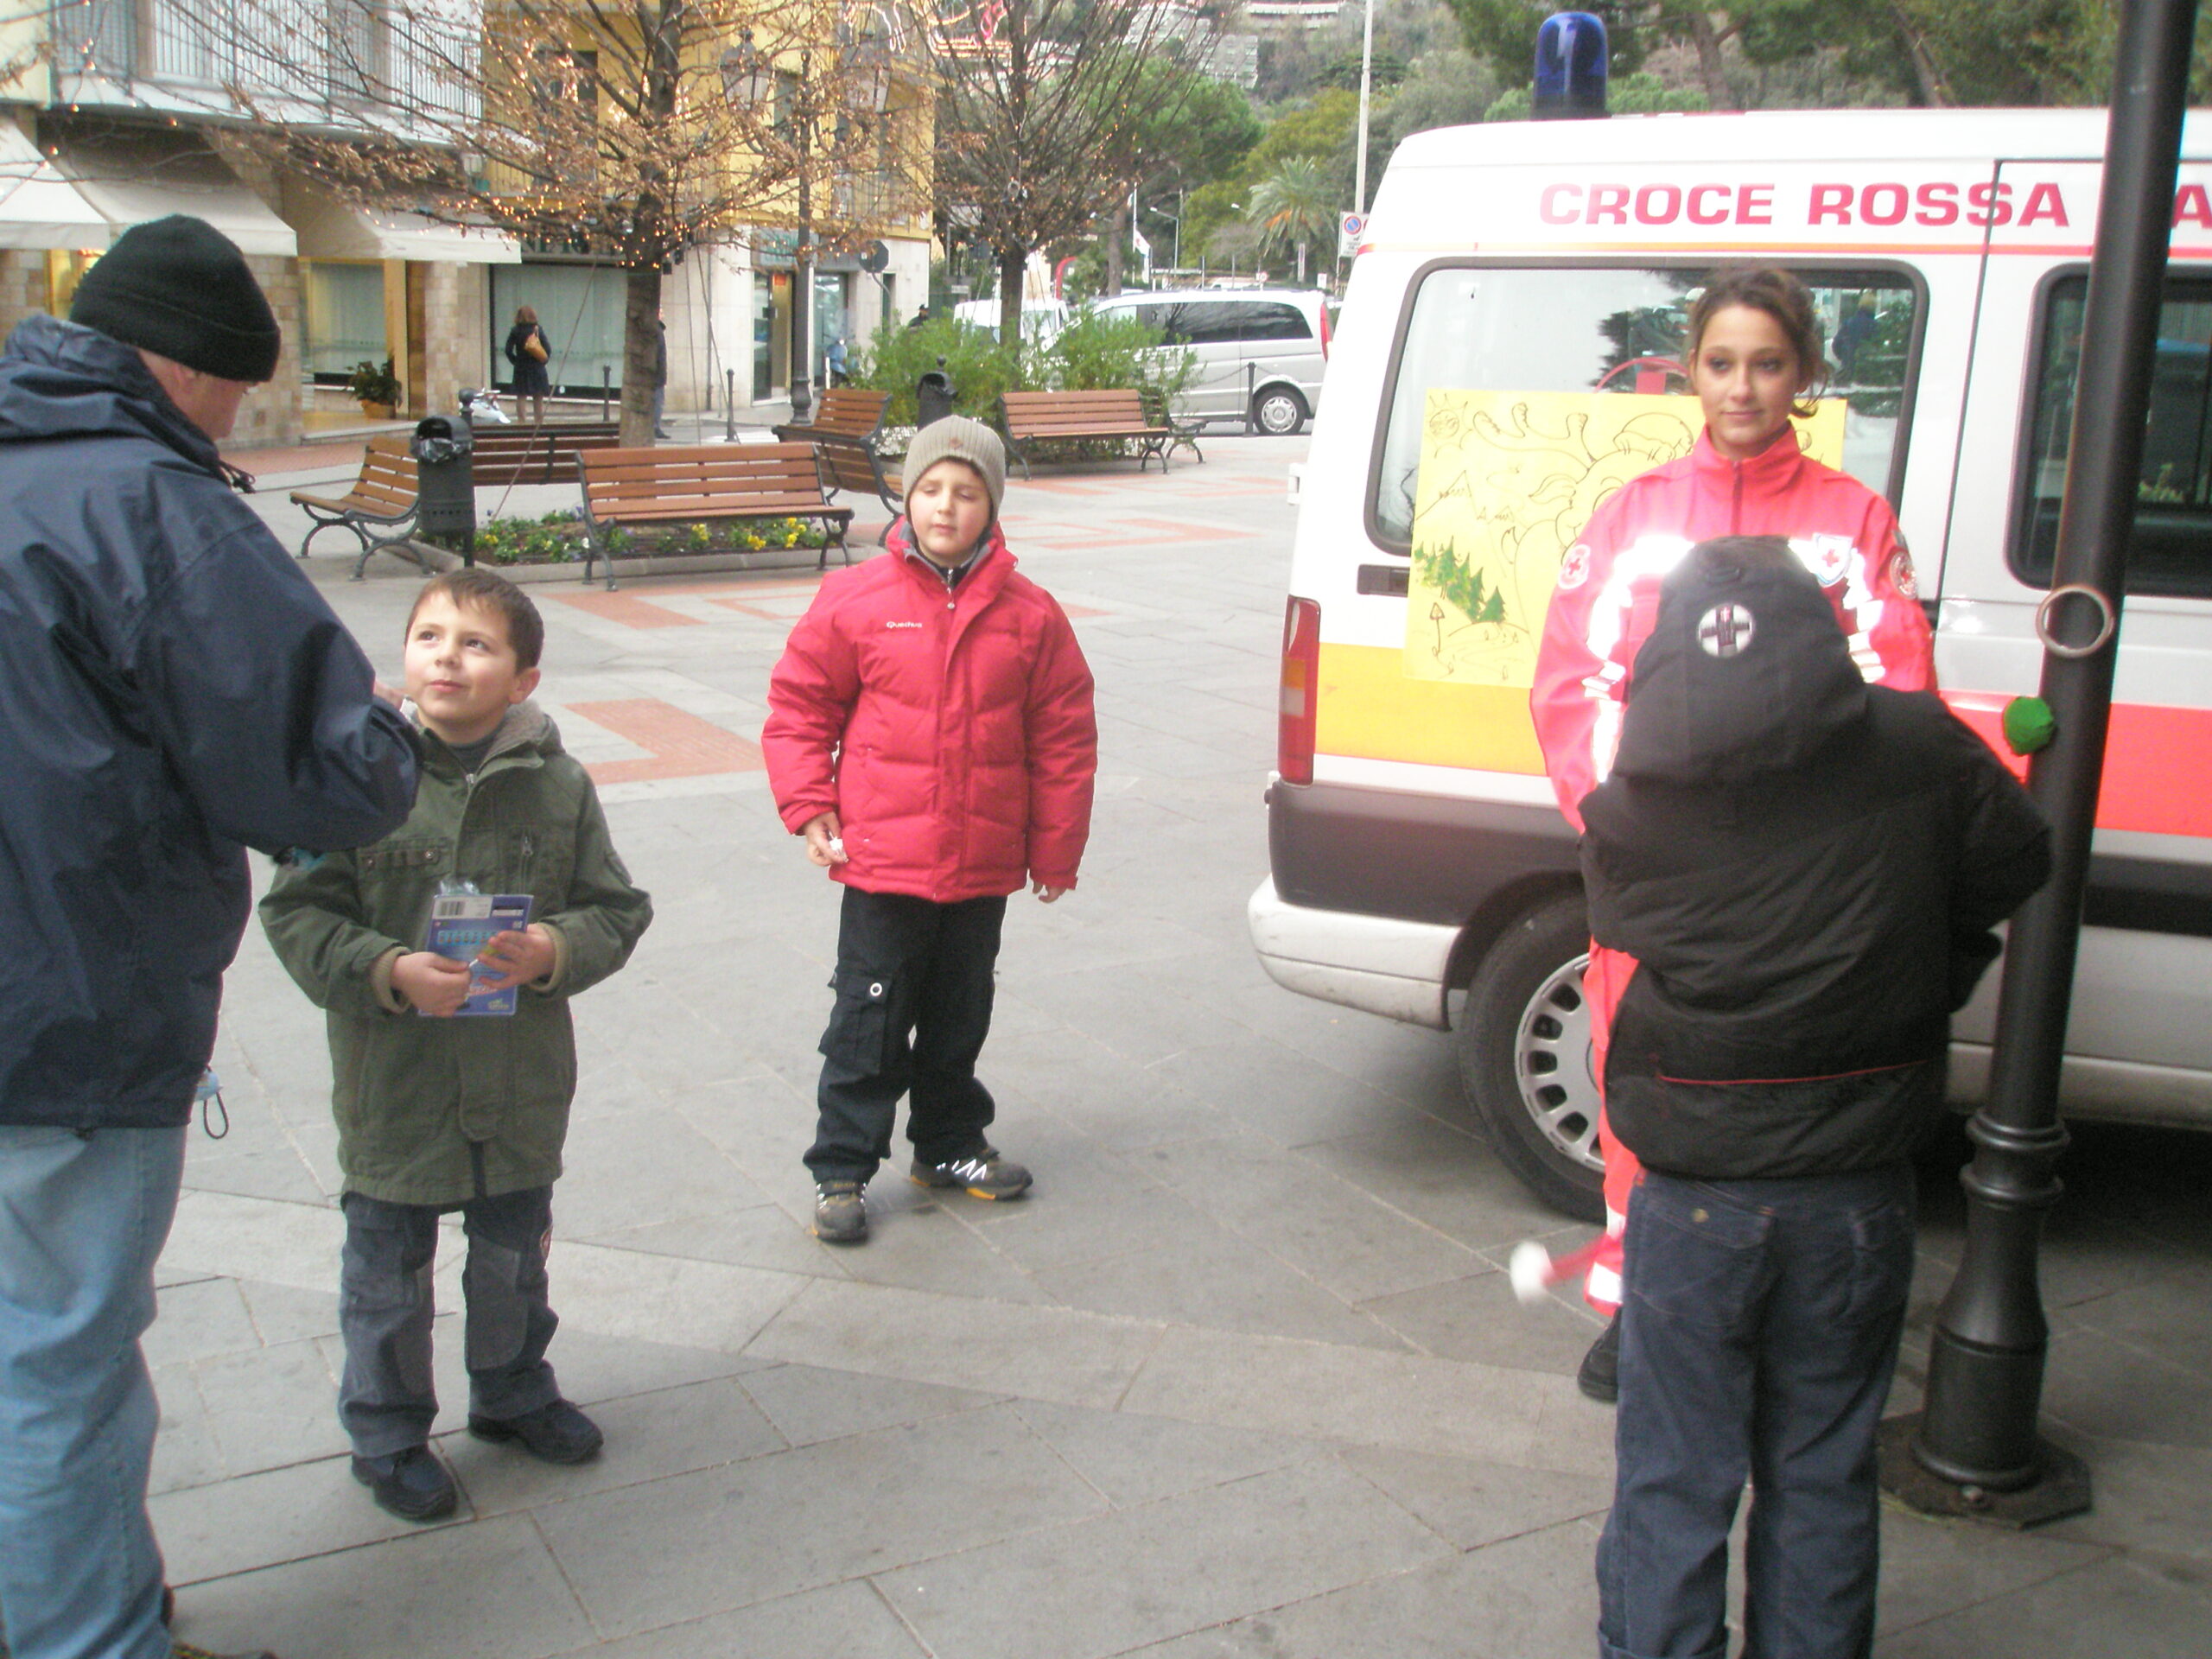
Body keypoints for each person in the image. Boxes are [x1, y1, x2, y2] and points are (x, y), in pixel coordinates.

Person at [0, 215, 420, 1659]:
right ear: (186, 369)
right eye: (240, 389)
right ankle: (88, 1640)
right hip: (63, 1011)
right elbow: (319, 765)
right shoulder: (149, 506)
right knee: (59, 1363)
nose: (240, 416)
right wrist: (389, 737)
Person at [1580, 535, 2050, 1659]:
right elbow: (2014, 861)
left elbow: (1620, 923)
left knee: (1673, 1480)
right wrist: (1927, 970)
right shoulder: (1915, 746)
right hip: (1854, 1190)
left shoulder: (1636, 798)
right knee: (1824, 1472)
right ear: (1821, 632)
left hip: (1694, 1192)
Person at [1529, 264, 1936, 1402]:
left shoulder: (1854, 522)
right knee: (1643, 1083)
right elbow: (1571, 685)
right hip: (1661, 883)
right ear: (1692, 370)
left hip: (1804, 893)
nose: (1742, 387)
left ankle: (1768, 1308)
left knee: (1783, 1100)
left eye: (1768, 363)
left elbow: (1897, 699)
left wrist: (1831, 853)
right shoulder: (1635, 515)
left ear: (1804, 375)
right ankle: (1636, 1302)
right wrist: (1624, 831)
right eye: (1721, 362)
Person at [259, 570, 652, 1522]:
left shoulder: (557, 783)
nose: (448, 656)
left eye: (477, 644)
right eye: (430, 636)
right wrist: (388, 969)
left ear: (523, 680)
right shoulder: (353, 775)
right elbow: (298, 912)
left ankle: (514, 1390)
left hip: (517, 1083)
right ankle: (388, 1432)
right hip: (397, 1084)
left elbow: (615, 907)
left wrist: (553, 948)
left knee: (514, 1257)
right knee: (388, 1275)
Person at [762, 417, 1096, 1245]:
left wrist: (1055, 849)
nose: (947, 507)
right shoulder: (856, 601)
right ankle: (840, 1165)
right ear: (907, 496)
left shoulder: (1030, 615)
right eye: (932, 488)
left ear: (992, 506)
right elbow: (800, 707)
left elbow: (1063, 737)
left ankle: (948, 1144)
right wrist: (809, 803)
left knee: (959, 1012)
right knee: (867, 1018)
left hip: (982, 864)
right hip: (883, 860)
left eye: (967, 492)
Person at [504, 304, 551, 426]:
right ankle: (538, 423)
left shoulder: (515, 331)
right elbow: (547, 349)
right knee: (538, 397)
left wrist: (515, 361)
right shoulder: (537, 330)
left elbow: (508, 350)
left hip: (521, 368)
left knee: (521, 396)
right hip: (537, 367)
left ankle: (521, 422)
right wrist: (542, 361)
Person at [651, 314, 671, 440]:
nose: (663, 314)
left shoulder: (657, 331)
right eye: (661, 311)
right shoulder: (657, 332)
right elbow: (659, 357)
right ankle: (655, 427)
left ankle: (655, 426)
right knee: (658, 403)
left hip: (657, 376)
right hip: (657, 377)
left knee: (657, 403)